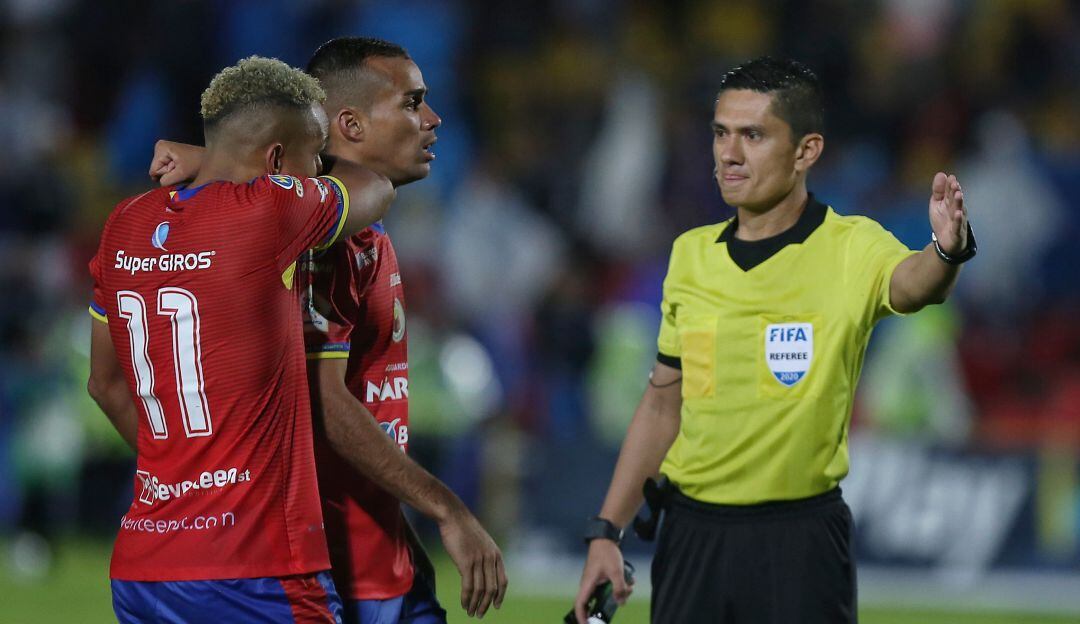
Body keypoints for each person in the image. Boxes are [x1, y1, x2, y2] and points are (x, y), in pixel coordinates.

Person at [573, 57, 974, 624]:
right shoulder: (691, 255)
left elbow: (914, 286)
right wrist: (605, 532)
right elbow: (664, 404)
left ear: (806, 151)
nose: (729, 154)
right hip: (692, 535)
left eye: (753, 135)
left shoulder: (852, 246)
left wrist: (947, 250)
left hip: (801, 540)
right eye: (721, 133)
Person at [149, 37, 508, 624]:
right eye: (413, 102)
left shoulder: (364, 231)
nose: (433, 120)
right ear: (351, 124)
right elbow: (322, 402)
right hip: (333, 576)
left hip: (378, 556)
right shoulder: (314, 241)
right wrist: (448, 510)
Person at [87, 55, 395, 623]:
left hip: (144, 565)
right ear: (278, 163)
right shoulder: (270, 210)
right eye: (315, 156)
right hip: (257, 569)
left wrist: (185, 474)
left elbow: (104, 385)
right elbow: (375, 186)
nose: (321, 169)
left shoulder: (124, 223)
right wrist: (217, 162)